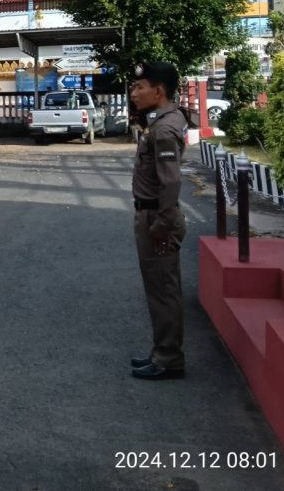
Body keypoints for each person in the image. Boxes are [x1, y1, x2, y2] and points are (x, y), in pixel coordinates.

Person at [128, 61, 188, 381]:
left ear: (159, 91)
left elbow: (171, 181)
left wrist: (161, 225)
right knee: (159, 289)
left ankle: (168, 358)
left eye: (140, 87)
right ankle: (161, 351)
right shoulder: (160, 122)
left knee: (163, 291)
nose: (133, 92)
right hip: (152, 212)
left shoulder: (164, 129)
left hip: (157, 216)